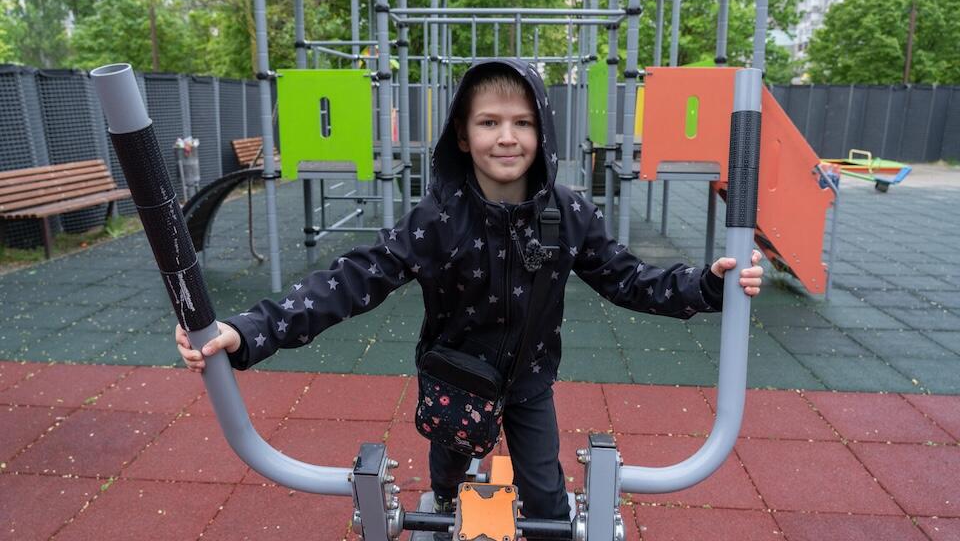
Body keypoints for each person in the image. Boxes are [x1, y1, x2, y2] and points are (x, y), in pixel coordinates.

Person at [176, 59, 763, 538]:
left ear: (543, 132)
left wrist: (708, 285)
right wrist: (251, 330)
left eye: (522, 123)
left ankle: (547, 520)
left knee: (547, 499)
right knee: (448, 480)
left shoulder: (569, 213)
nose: (506, 137)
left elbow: (629, 279)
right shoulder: (438, 220)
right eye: (488, 123)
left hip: (529, 382)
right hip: (455, 379)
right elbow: (354, 278)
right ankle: (443, 497)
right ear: (463, 133)